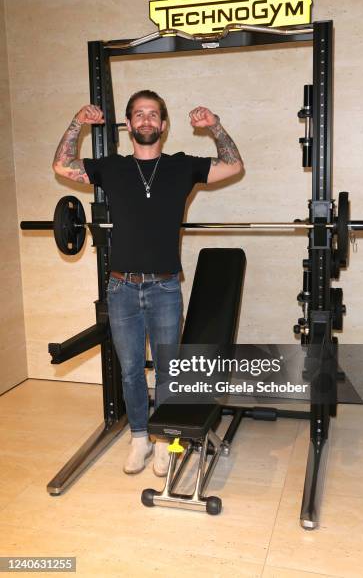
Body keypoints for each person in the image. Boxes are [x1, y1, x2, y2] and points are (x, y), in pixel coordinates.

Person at [52, 90, 243, 476]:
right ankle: (139, 437)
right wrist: (78, 122)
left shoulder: (181, 167)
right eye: (138, 114)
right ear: (128, 124)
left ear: (164, 125)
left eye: (152, 115)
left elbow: (233, 165)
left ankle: (164, 440)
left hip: (165, 288)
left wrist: (214, 126)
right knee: (130, 369)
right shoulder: (110, 168)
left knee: (169, 368)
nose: (145, 120)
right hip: (121, 288)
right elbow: (62, 165)